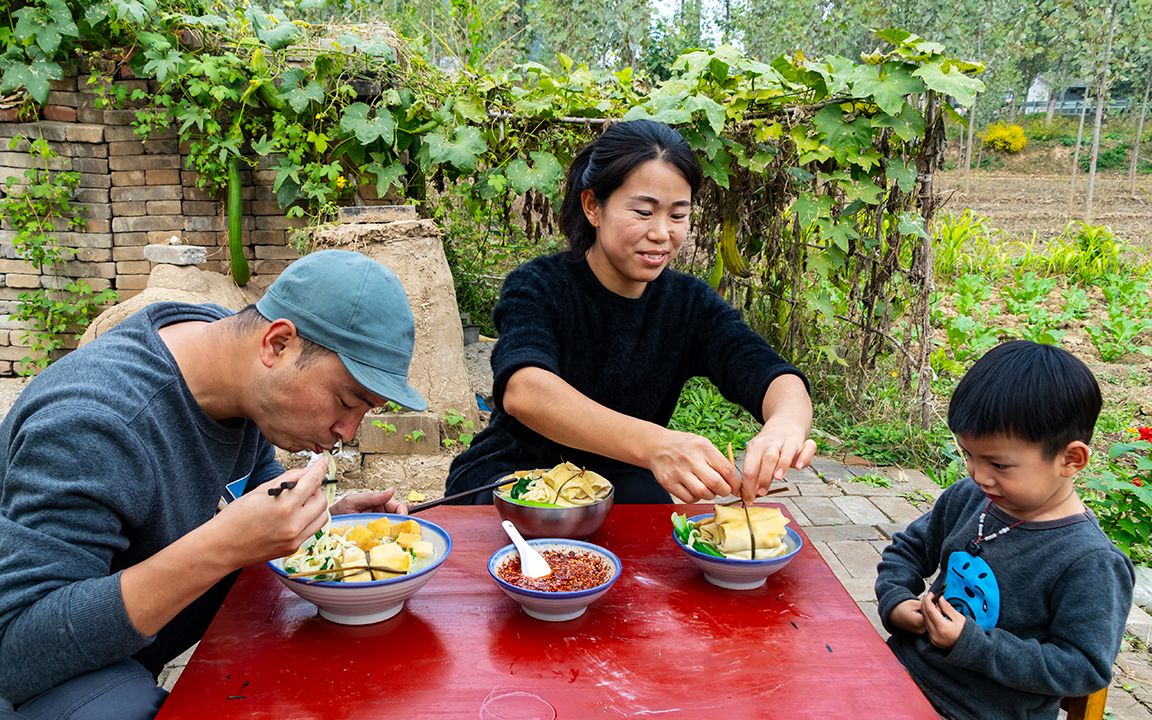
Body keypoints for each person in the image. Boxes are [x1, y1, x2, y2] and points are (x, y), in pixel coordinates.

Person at [0, 250, 427, 719]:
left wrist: (319, 525)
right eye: (347, 401)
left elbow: (253, 494)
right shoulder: (95, 423)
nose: (347, 431)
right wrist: (224, 546)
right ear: (277, 344)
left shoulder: (230, 365)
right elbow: (16, 653)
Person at [446, 119, 816, 505]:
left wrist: (784, 427)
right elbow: (525, 391)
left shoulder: (688, 304)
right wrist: (655, 444)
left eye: (677, 215)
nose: (661, 233)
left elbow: (771, 375)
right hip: (511, 476)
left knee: (648, 509)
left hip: (621, 480)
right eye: (643, 212)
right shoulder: (539, 285)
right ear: (593, 207)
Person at [875, 341, 1135, 720]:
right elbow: (907, 550)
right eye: (968, 455)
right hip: (899, 676)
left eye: (998, 464)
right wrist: (896, 600)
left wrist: (974, 645)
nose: (978, 475)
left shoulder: (1091, 562)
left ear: (1070, 459)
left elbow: (1083, 668)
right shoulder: (969, 497)